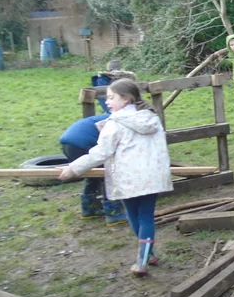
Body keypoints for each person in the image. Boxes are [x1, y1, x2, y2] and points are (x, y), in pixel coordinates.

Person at [58, 79, 172, 277]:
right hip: (152, 176)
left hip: (128, 178)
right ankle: (148, 255)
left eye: (111, 97)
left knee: (135, 216)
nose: (107, 102)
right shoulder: (152, 118)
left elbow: (101, 152)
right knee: (145, 216)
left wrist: (74, 169)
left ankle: (143, 261)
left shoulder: (114, 124)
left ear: (126, 99)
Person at [59, 114, 127, 225]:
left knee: (92, 175)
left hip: (68, 142)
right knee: (108, 175)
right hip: (83, 143)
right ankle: (114, 213)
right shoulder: (122, 120)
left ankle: (89, 209)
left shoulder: (114, 116)